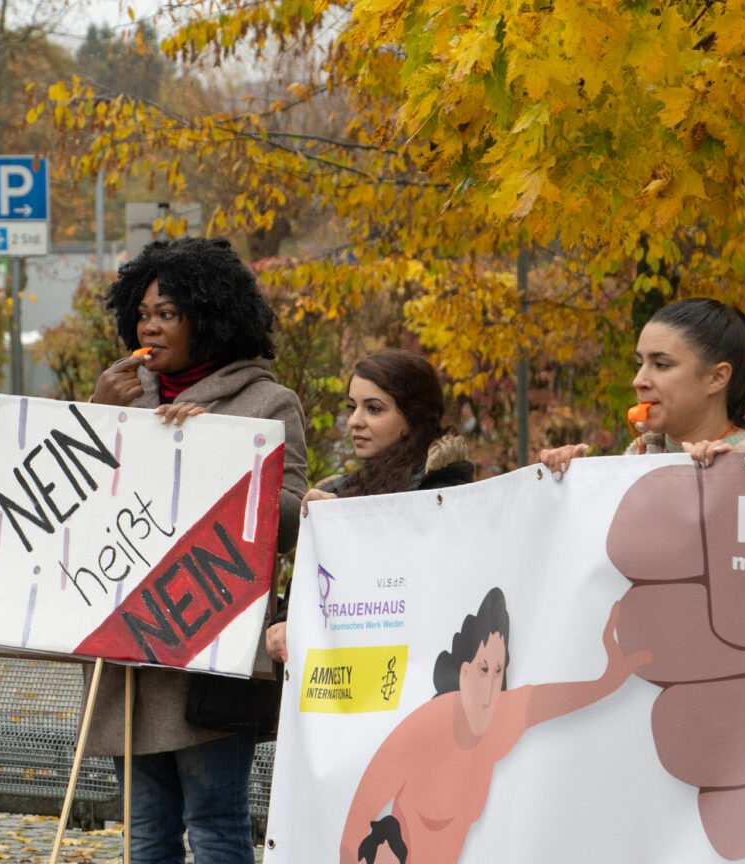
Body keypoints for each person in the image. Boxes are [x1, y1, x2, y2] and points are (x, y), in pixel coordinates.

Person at [85, 236, 309, 864]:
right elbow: (82, 511)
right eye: (143, 312)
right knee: (147, 830)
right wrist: (97, 417)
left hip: (207, 647)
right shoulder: (123, 396)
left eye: (168, 313)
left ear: (210, 318)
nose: (148, 326)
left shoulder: (267, 402)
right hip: (128, 647)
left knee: (214, 823)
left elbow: (292, 523)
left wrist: (219, 454)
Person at [339, 589, 649, 864]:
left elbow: (555, 699)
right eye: (483, 668)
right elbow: (353, 831)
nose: (489, 689)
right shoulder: (424, 728)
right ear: (463, 673)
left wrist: (608, 682)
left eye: (497, 672)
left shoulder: (501, 719)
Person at [265, 349, 475, 664]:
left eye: (374, 409)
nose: (354, 421)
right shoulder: (338, 491)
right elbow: (311, 587)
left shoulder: (447, 492)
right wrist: (283, 622)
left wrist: (349, 521)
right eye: (352, 407)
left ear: (411, 417)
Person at [540, 297, 745, 475]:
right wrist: (572, 485)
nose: (638, 381)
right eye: (639, 363)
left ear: (717, 378)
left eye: (662, 365)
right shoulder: (632, 462)